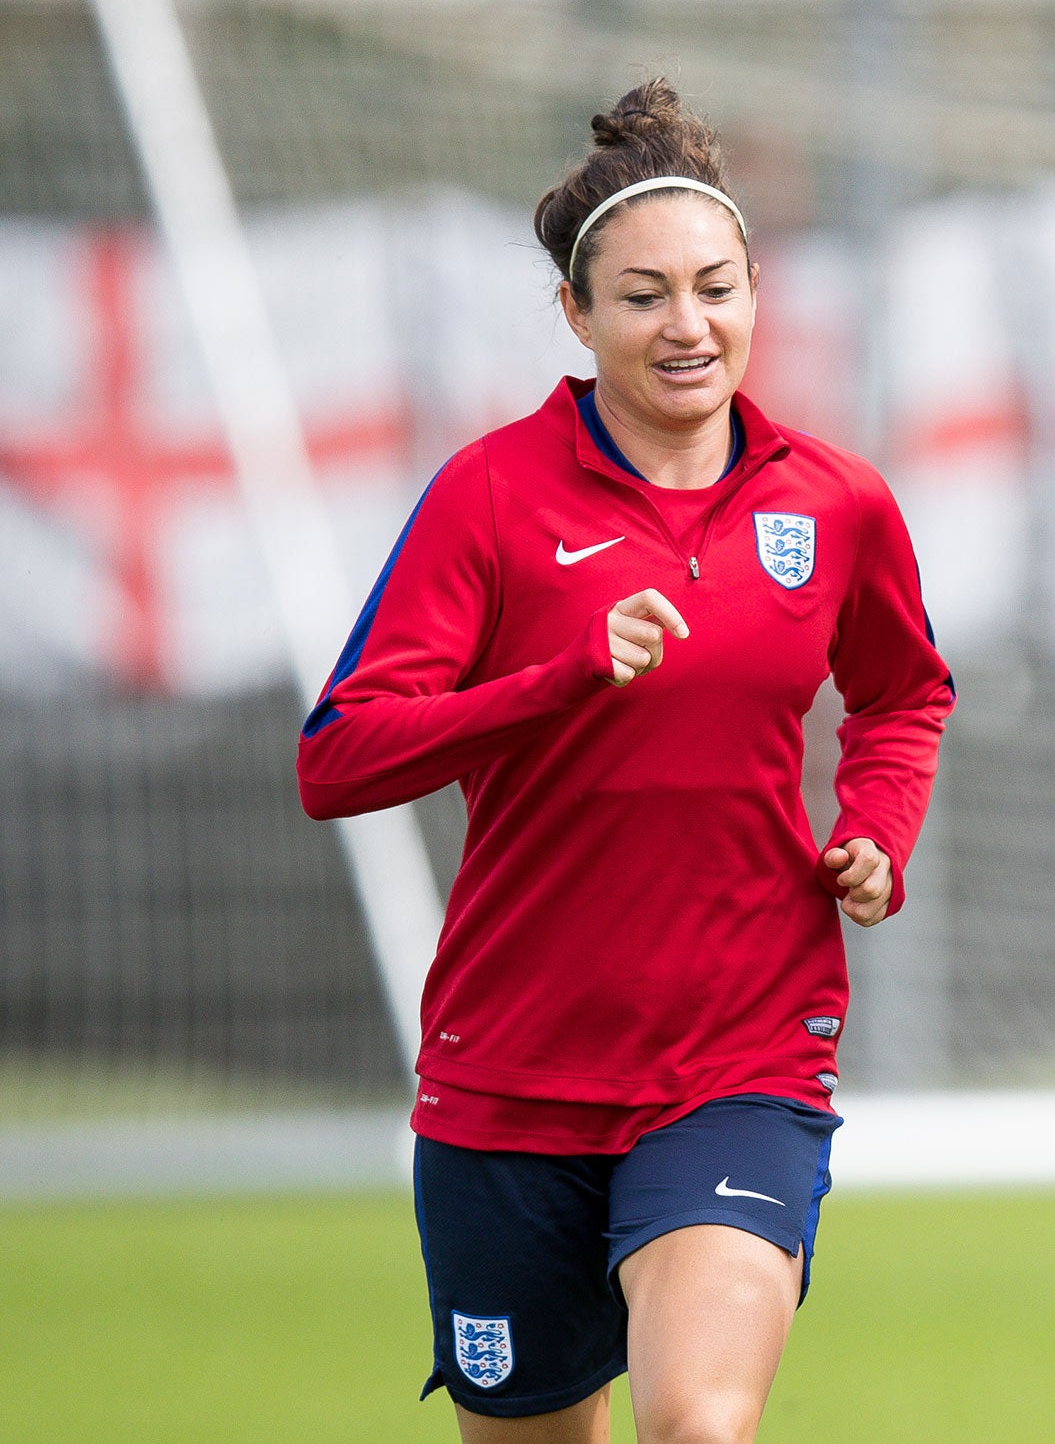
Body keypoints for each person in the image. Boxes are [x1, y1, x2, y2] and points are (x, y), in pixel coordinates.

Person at [297, 80, 953, 1444]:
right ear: (579, 316)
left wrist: (878, 825)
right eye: (644, 295)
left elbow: (903, 693)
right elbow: (340, 758)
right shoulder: (488, 495)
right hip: (510, 1073)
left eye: (715, 287)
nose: (687, 324)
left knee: (697, 1423)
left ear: (758, 291)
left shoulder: (834, 502)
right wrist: (561, 679)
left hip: (744, 1052)